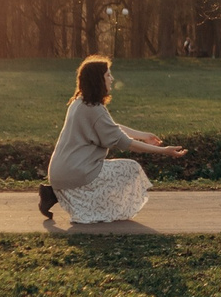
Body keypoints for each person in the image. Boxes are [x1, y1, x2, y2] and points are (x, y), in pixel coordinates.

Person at [40, 54, 187, 226]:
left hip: (59, 173)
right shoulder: (94, 109)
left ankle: (52, 194)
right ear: (98, 80)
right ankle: (91, 209)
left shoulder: (79, 103)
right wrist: (164, 151)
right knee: (131, 169)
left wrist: (143, 135)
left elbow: (111, 128)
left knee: (112, 170)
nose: (112, 79)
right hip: (76, 172)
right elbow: (126, 143)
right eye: (108, 75)